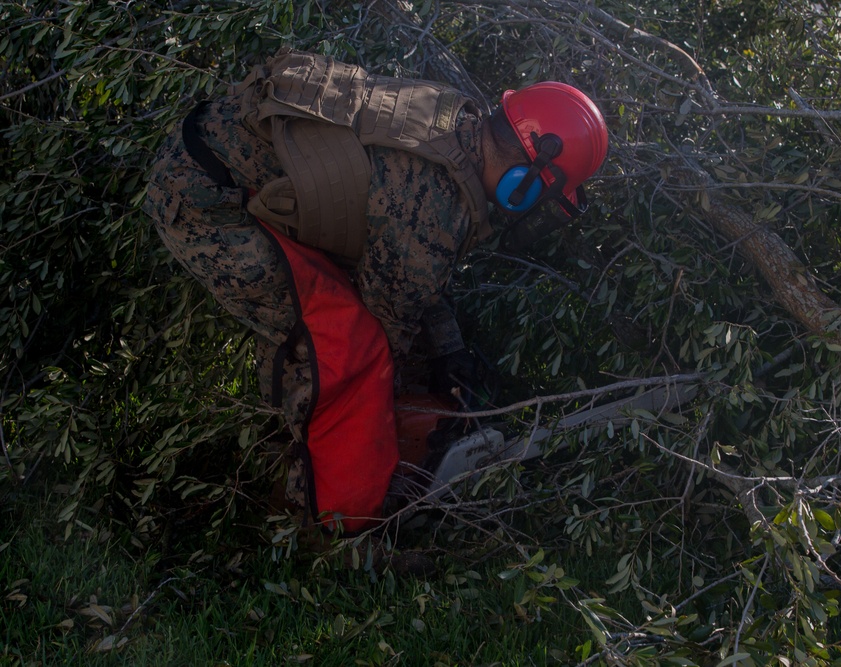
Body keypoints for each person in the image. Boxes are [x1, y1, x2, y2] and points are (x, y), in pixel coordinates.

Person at [142, 48, 608, 532]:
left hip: (224, 167)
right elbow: (393, 311)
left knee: (339, 326)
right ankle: (328, 532)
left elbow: (410, 262)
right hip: (207, 203)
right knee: (351, 354)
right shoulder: (440, 204)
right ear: (526, 182)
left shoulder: (456, 121)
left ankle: (285, 459)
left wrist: (451, 352)